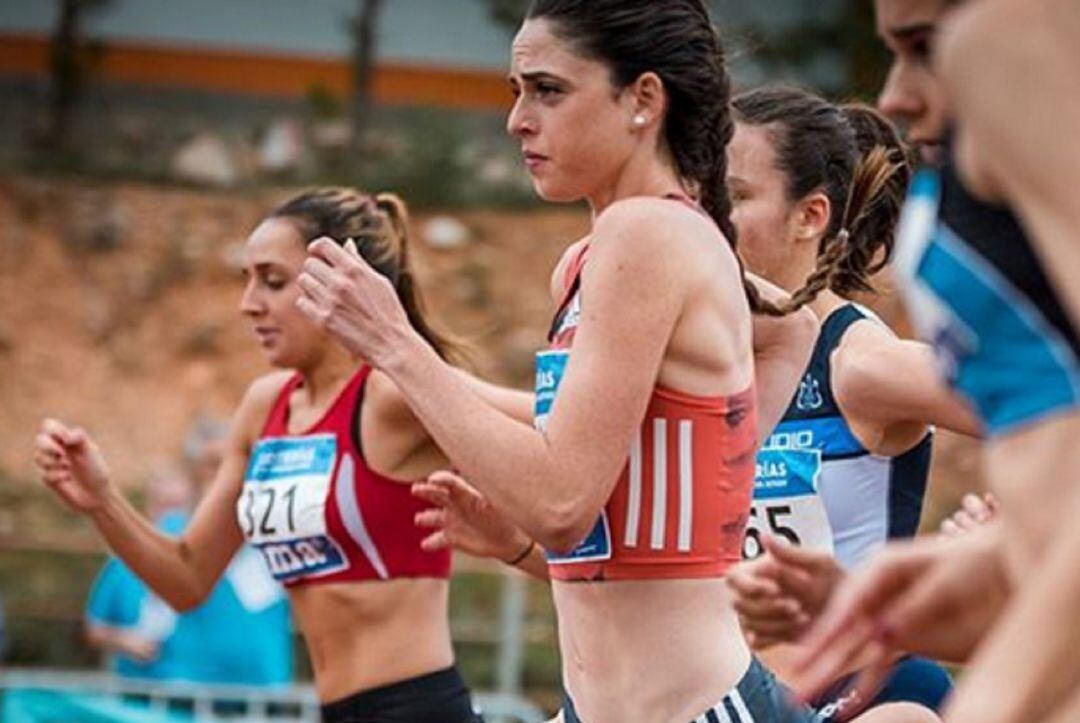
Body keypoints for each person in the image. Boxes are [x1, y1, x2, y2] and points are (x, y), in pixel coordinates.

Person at [291, 2, 934, 721]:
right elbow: (785, 335)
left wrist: (395, 344)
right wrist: (714, 474)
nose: (518, 120)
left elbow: (561, 503)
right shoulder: (604, 254)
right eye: (516, 91)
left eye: (548, 90)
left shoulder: (647, 235)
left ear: (643, 100)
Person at [34, 188, 488, 722]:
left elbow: (544, 423)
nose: (249, 302)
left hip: (418, 708)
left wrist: (527, 543)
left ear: (337, 281)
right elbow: (187, 578)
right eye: (247, 280)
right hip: (332, 709)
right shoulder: (264, 406)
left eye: (273, 281)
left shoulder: (390, 394)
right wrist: (102, 502)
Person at [782, 2, 1080, 722]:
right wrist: (971, 569)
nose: (893, 95)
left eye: (921, 46)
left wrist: (994, 699)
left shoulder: (1008, 40)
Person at [725, 84, 985, 718]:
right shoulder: (715, 359)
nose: (706, 218)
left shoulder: (859, 365)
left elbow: (1046, 399)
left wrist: (1021, 523)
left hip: (867, 697)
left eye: (732, 197)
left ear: (809, 217)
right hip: (738, 694)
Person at [85, 424, 292, 687]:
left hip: (263, 700)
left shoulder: (273, 535)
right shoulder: (164, 536)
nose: (225, 475)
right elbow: (100, 624)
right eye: (213, 465)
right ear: (193, 475)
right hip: (179, 701)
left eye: (236, 463)